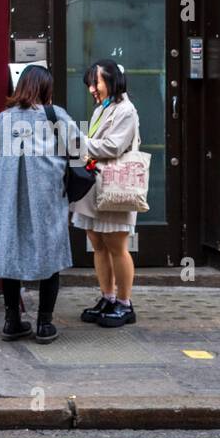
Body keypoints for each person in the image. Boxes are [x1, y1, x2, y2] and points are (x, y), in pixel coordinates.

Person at [0, 65, 82, 344]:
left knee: (11, 257)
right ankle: (44, 324)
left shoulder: (1, 120)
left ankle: (12, 321)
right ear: (46, 89)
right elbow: (79, 148)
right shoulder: (55, 116)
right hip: (46, 200)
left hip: (8, 201)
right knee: (50, 257)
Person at [70, 58, 141, 329]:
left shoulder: (127, 110)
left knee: (116, 246)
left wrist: (78, 140)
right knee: (98, 244)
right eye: (90, 83)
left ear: (112, 81)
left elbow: (112, 147)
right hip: (98, 186)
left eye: (95, 82)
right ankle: (108, 297)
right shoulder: (105, 107)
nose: (92, 88)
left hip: (114, 186)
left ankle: (125, 303)